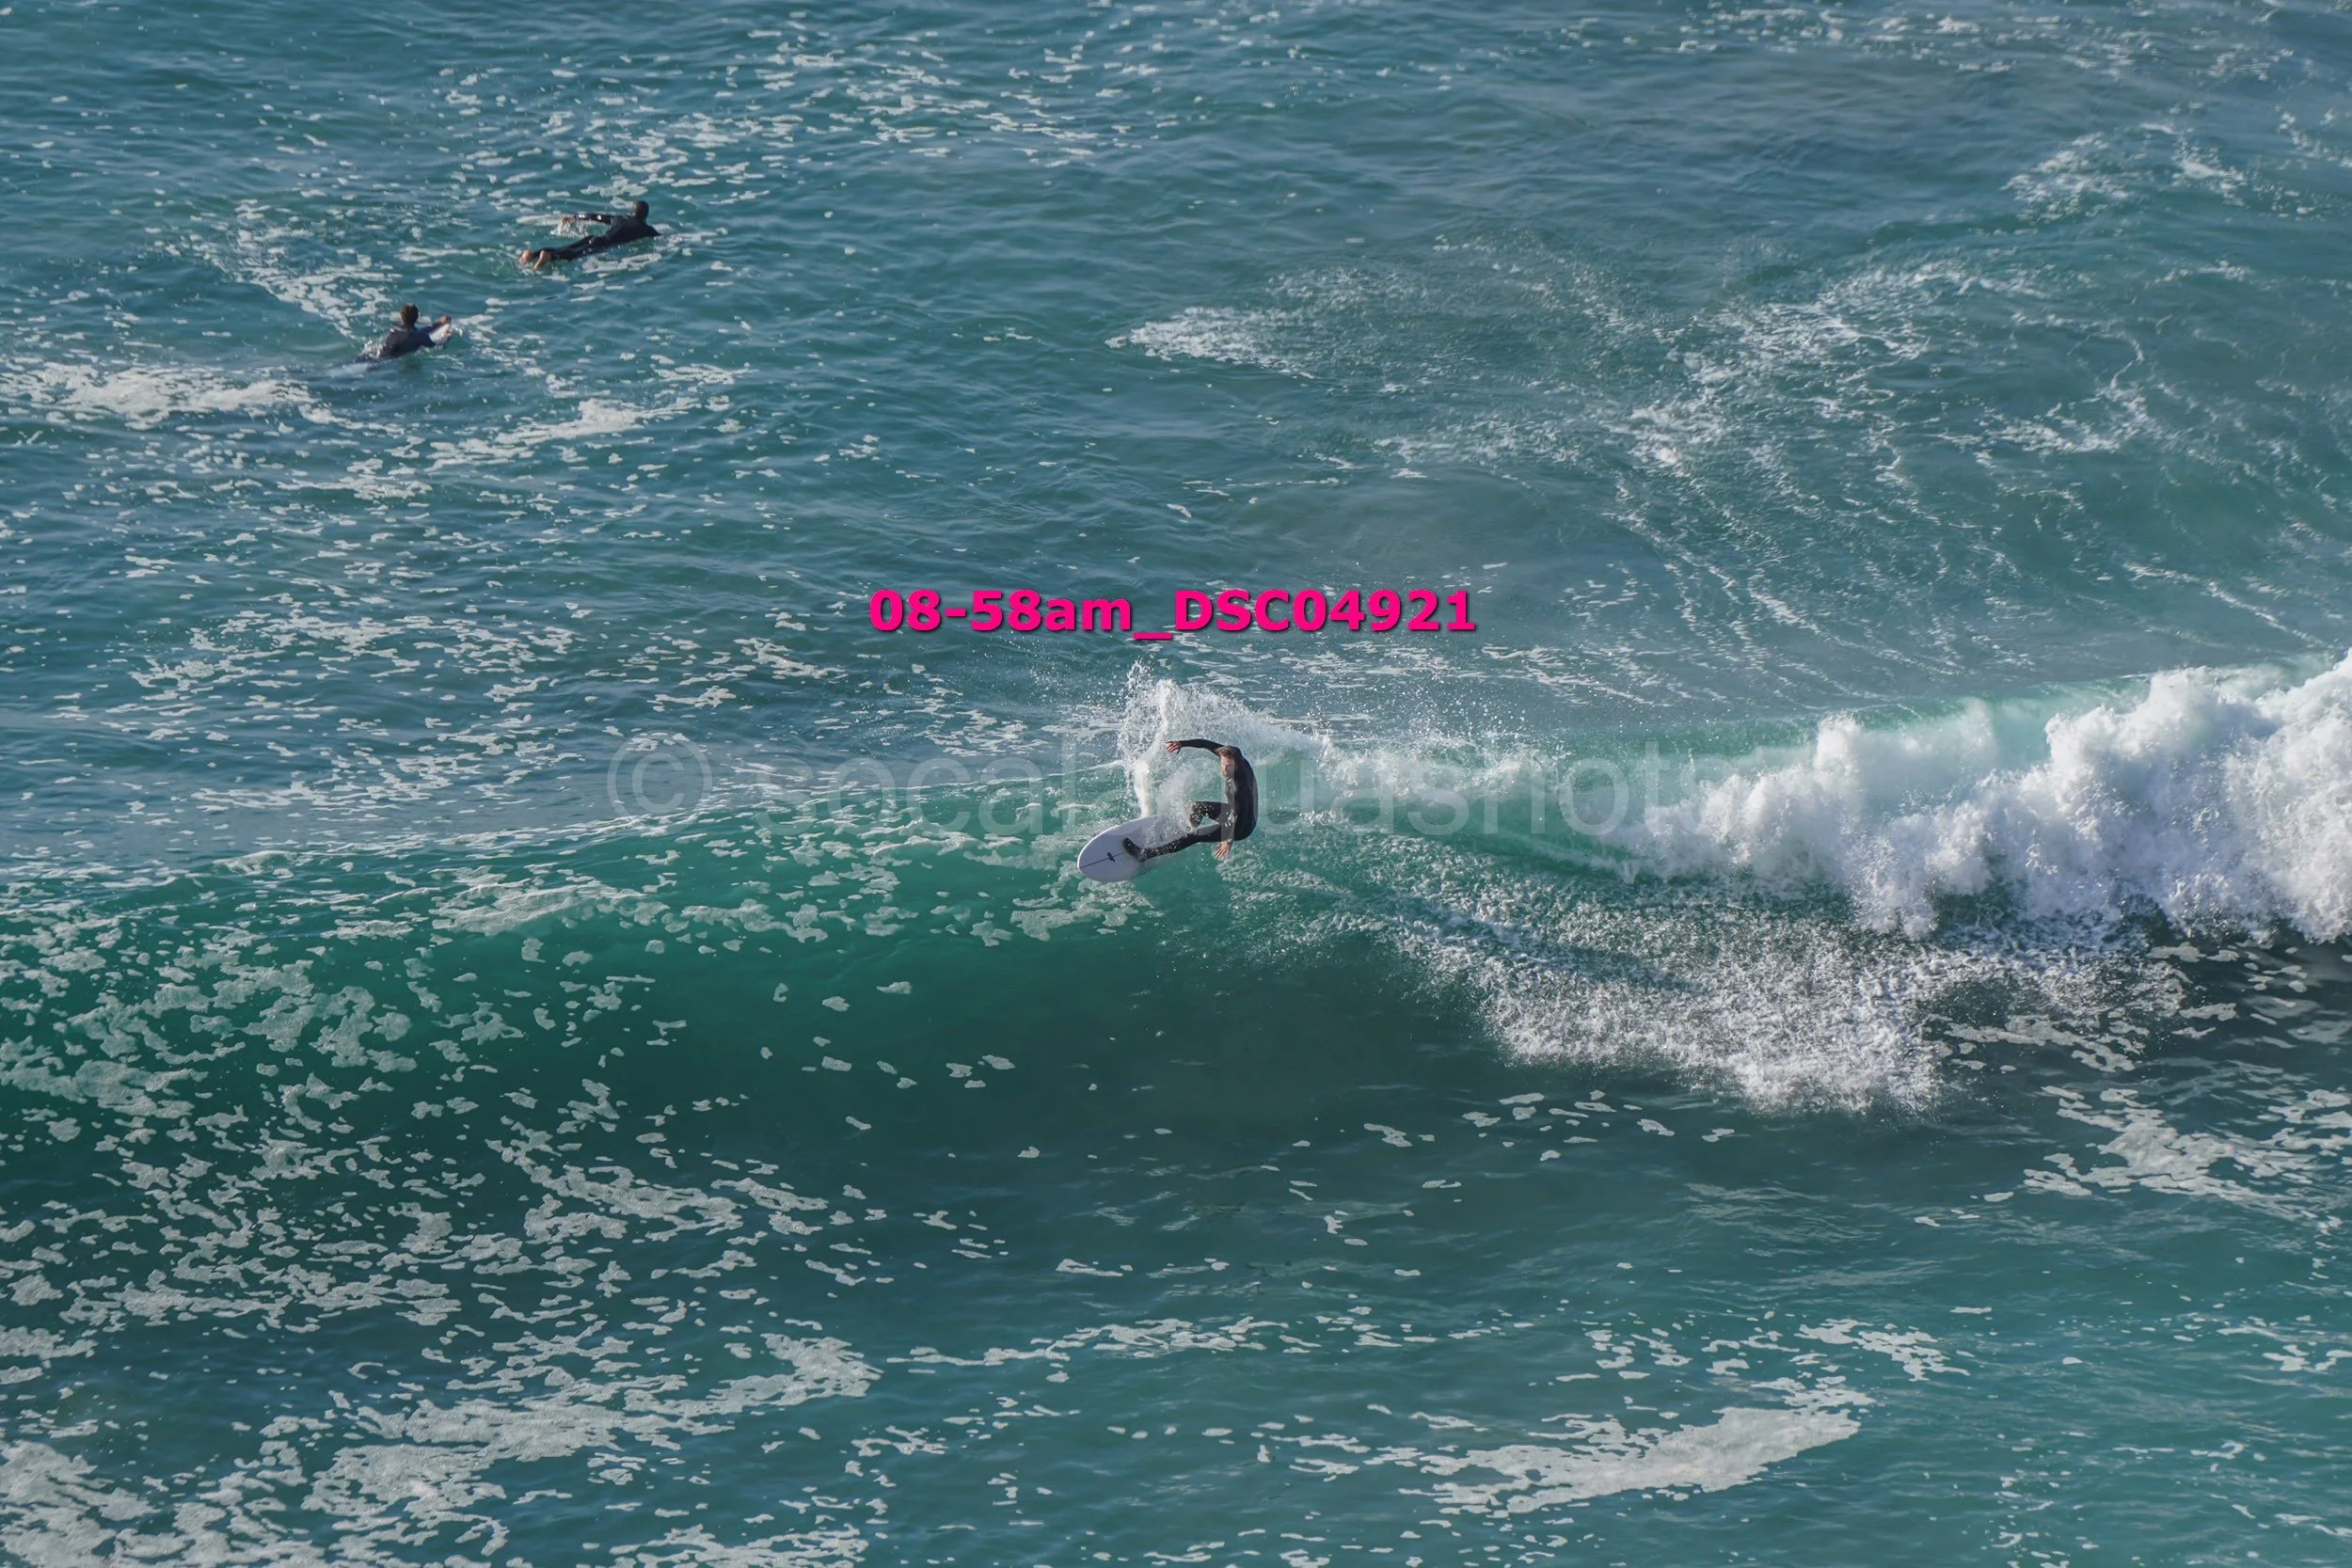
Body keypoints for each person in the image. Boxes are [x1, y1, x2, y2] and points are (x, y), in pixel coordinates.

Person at [1127, 739, 1257, 863]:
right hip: (1236, 812)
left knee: (1195, 836)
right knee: (1198, 807)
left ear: (1238, 764)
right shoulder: (1233, 756)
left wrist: (1228, 840)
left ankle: (1144, 855)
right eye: (1223, 764)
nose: (1225, 769)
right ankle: (1190, 830)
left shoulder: (1238, 787)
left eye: (1229, 766)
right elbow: (1206, 744)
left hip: (1242, 827)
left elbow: (1239, 817)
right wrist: (1182, 744)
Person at [520, 199, 660, 268]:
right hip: (603, 244)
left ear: (632, 211)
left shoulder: (618, 218)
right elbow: (662, 239)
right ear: (645, 215)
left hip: (594, 238)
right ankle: (549, 257)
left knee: (564, 247)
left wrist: (575, 217)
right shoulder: (646, 229)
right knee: (574, 254)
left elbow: (595, 216)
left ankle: (533, 254)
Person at [375, 303, 452, 359]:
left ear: (401, 317)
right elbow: (434, 345)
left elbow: (419, 332)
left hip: (377, 354)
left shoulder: (393, 329)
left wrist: (439, 323)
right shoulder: (418, 335)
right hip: (387, 360)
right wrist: (447, 336)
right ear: (417, 317)